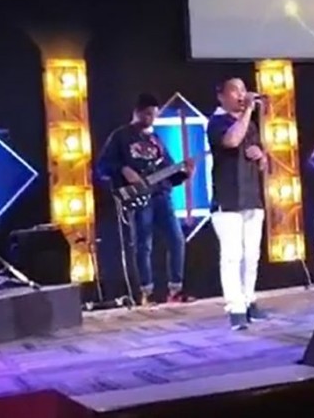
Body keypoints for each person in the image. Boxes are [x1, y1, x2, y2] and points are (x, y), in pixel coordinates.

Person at [97, 93, 192, 305]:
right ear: (137, 112)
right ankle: (145, 293)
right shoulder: (120, 136)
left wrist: (185, 173)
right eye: (147, 114)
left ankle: (175, 290)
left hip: (162, 196)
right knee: (143, 245)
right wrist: (124, 169)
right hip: (138, 198)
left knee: (177, 239)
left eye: (154, 115)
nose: (151, 119)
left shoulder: (156, 140)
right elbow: (102, 167)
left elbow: (169, 173)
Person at [207, 78, 268, 330]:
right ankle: (235, 307)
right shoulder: (217, 122)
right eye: (235, 90)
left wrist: (261, 156)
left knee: (251, 255)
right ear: (221, 96)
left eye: (244, 90)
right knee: (232, 255)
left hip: (252, 197)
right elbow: (231, 141)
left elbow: (262, 162)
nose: (242, 94)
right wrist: (249, 111)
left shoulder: (249, 123)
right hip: (227, 200)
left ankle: (249, 298)